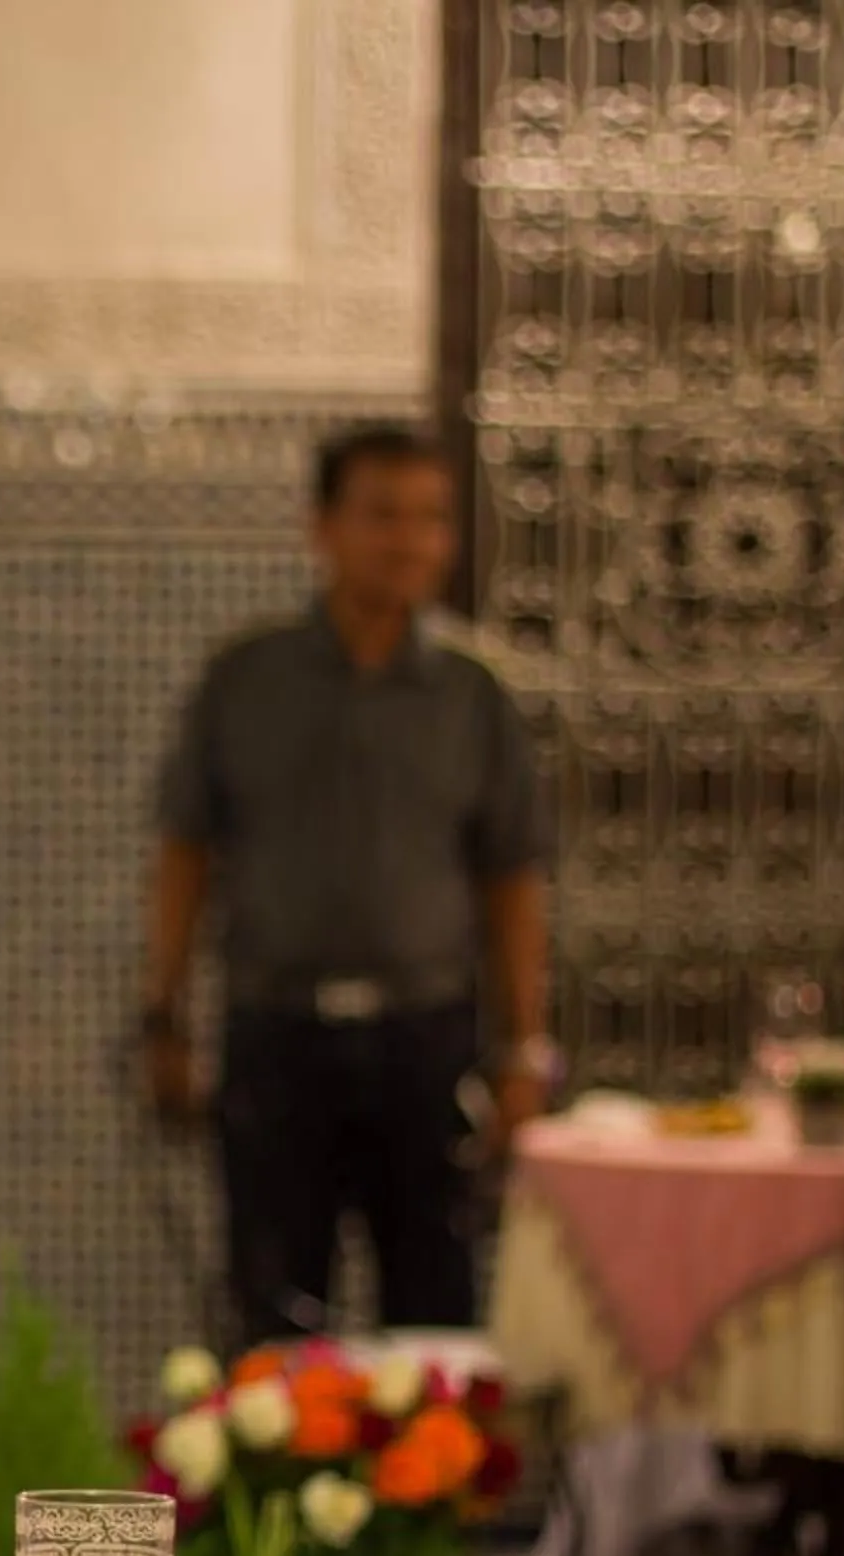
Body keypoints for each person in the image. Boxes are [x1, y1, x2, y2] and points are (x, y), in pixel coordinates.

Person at [142, 427, 551, 1344]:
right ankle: (283, 1492)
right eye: (382, 516)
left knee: (434, 1317)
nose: (408, 542)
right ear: (322, 528)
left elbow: (513, 878)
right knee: (272, 1321)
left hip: (427, 1042)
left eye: (429, 519)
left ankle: (428, 1493)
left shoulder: (474, 695)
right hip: (276, 1041)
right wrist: (162, 1015)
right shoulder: (246, 680)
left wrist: (525, 1049)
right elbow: (185, 852)